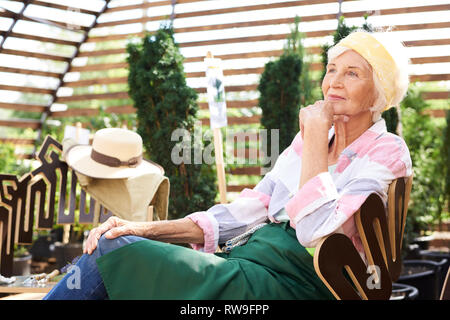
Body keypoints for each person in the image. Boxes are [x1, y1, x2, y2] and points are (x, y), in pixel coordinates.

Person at [44, 30, 412, 300]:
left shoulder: (387, 152)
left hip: (306, 282)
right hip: (249, 261)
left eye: (352, 73)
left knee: (113, 255)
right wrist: (142, 228)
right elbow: (246, 211)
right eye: (331, 69)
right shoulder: (308, 142)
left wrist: (315, 137)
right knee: (119, 242)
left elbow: (315, 234)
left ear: (379, 91)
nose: (334, 82)